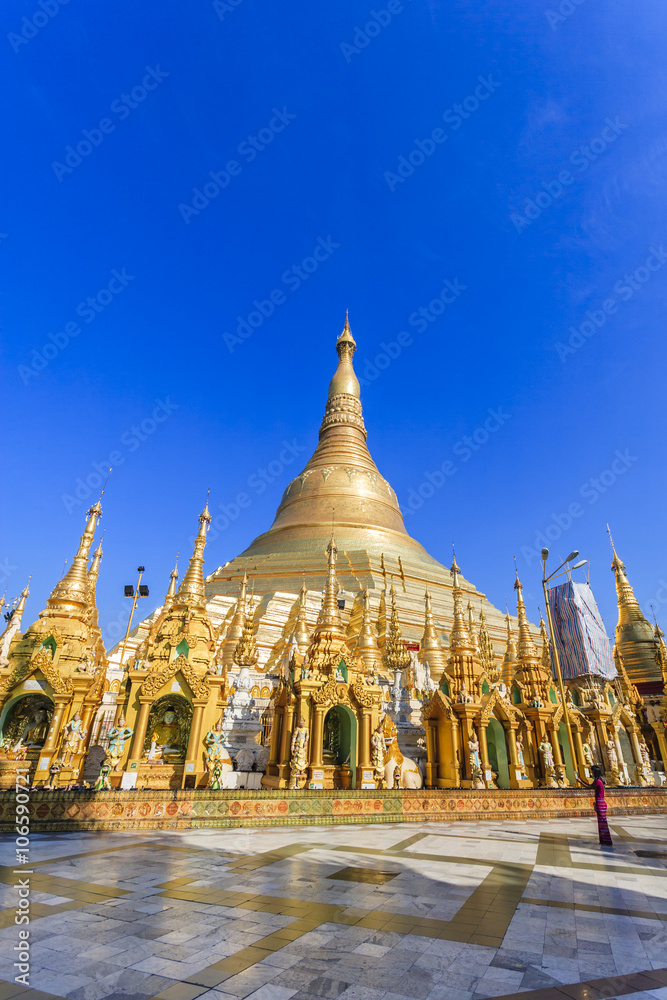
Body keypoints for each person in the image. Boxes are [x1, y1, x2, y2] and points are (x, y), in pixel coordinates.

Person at [576, 765, 613, 847]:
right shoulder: (600, 780)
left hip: (600, 803)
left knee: (603, 822)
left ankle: (607, 841)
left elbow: (589, 787)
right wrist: (581, 780)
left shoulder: (597, 782)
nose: (591, 773)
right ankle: (603, 840)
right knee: (601, 823)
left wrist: (580, 781)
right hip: (601, 802)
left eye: (592, 771)